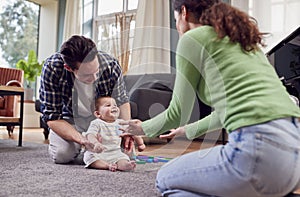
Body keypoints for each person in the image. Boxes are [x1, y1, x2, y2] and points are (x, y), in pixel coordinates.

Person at [121, 0, 300, 196]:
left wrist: (139, 128)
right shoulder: (243, 41)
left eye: (175, 20)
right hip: (294, 159)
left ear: (184, 13)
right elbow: (225, 114)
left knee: (164, 178)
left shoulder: (192, 38)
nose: (177, 27)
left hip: (258, 152)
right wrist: (186, 130)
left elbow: (178, 111)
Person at [39, 35, 134, 164]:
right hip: (69, 120)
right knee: (63, 155)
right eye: (87, 74)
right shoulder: (52, 68)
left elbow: (122, 100)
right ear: (69, 68)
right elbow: (52, 116)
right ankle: (82, 148)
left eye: (96, 71)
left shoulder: (110, 65)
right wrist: (83, 140)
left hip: (102, 120)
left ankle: (91, 150)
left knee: (127, 154)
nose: (94, 78)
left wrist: (126, 131)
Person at [83, 96, 145, 171]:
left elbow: (131, 131)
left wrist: (140, 143)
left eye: (115, 105)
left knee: (123, 158)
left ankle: (125, 165)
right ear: (98, 114)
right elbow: (90, 135)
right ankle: (107, 165)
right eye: (108, 105)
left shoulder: (120, 122)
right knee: (88, 157)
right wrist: (96, 143)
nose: (114, 107)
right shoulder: (96, 123)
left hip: (115, 152)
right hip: (99, 152)